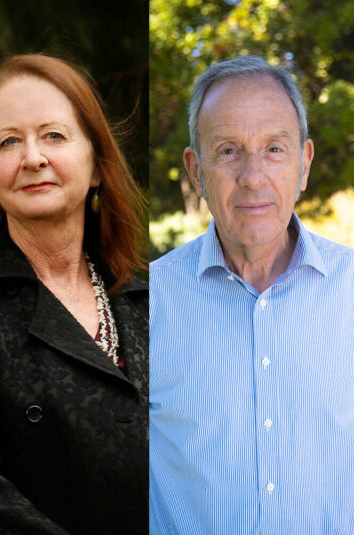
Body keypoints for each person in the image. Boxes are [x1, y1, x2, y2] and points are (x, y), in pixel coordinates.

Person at [150, 55, 354, 533]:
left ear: (303, 164)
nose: (252, 176)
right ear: (196, 172)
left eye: (274, 149)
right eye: (227, 151)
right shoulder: (146, 302)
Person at [0, 54, 149, 534]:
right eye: (9, 141)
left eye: (54, 135)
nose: (33, 157)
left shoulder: (146, 302)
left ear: (97, 166)